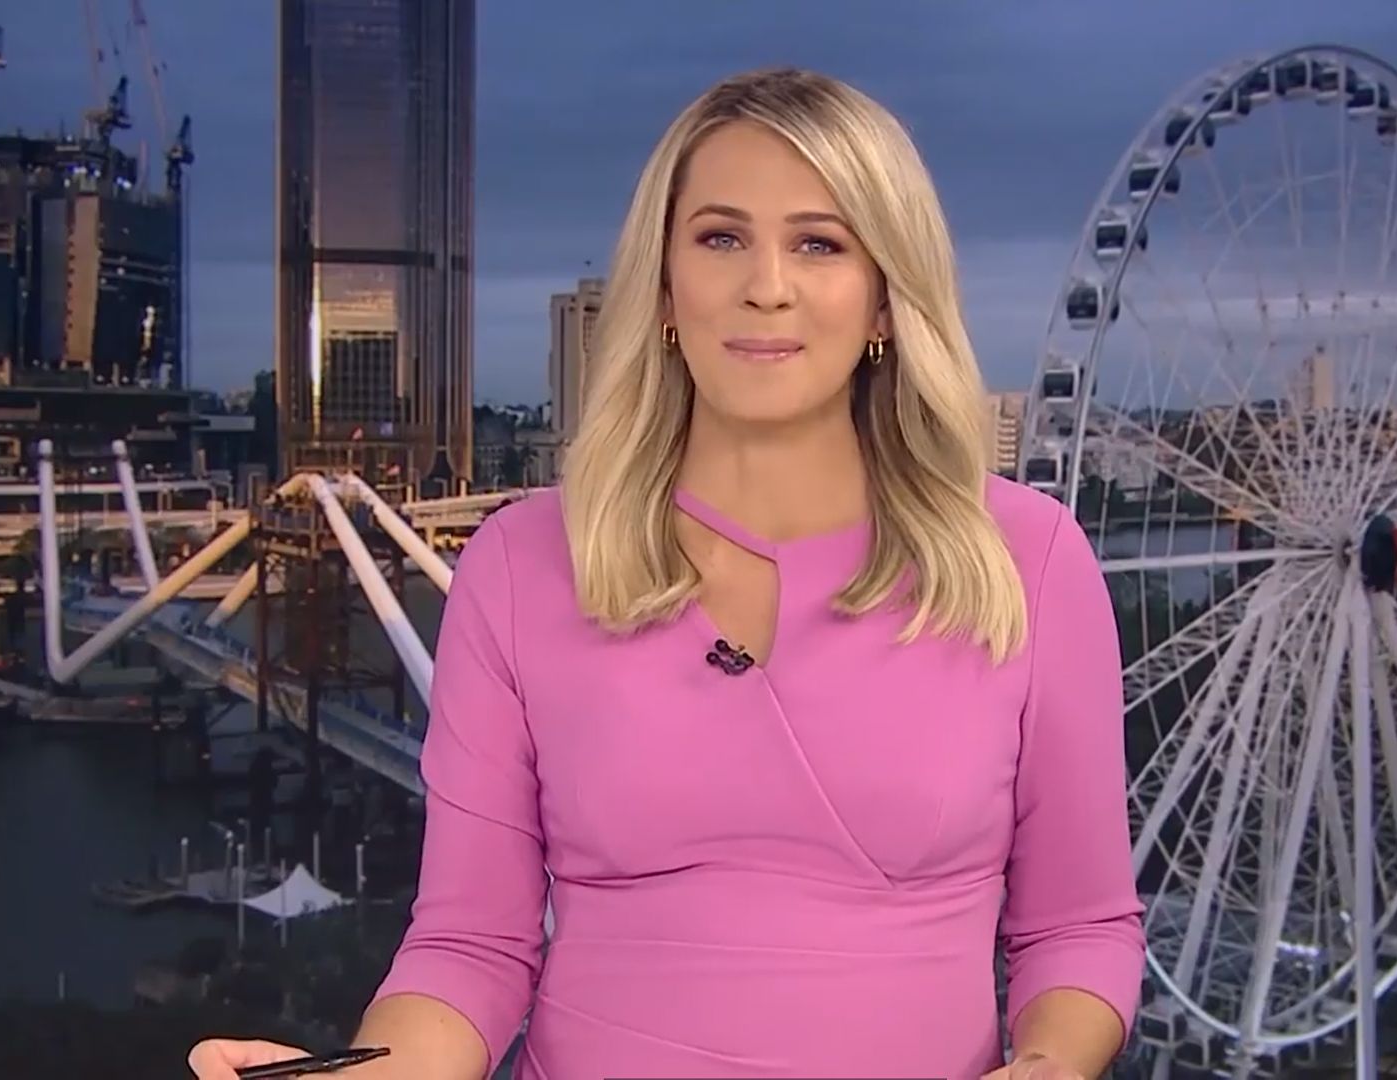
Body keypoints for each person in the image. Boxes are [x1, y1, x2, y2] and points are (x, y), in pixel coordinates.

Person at [190, 66, 1143, 1080]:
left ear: (884, 301)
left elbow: (1080, 928)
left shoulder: (1027, 562)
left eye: (819, 244)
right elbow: (472, 946)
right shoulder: (519, 566)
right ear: (663, 291)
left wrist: (1049, 1065)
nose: (765, 285)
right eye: (721, 238)